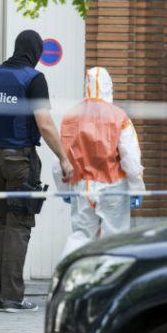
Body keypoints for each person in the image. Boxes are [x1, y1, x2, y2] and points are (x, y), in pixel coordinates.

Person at [0, 29, 74, 313]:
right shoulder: (34, 79)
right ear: (35, 53)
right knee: (19, 225)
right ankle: (13, 296)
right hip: (19, 162)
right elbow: (45, 124)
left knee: (2, 221)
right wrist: (63, 157)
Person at [52, 67, 146, 260]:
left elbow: (59, 158)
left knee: (80, 237)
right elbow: (131, 158)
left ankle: (70, 279)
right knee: (115, 239)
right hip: (114, 186)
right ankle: (110, 283)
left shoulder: (71, 116)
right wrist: (137, 188)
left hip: (82, 186)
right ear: (109, 87)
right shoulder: (119, 117)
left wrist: (64, 189)